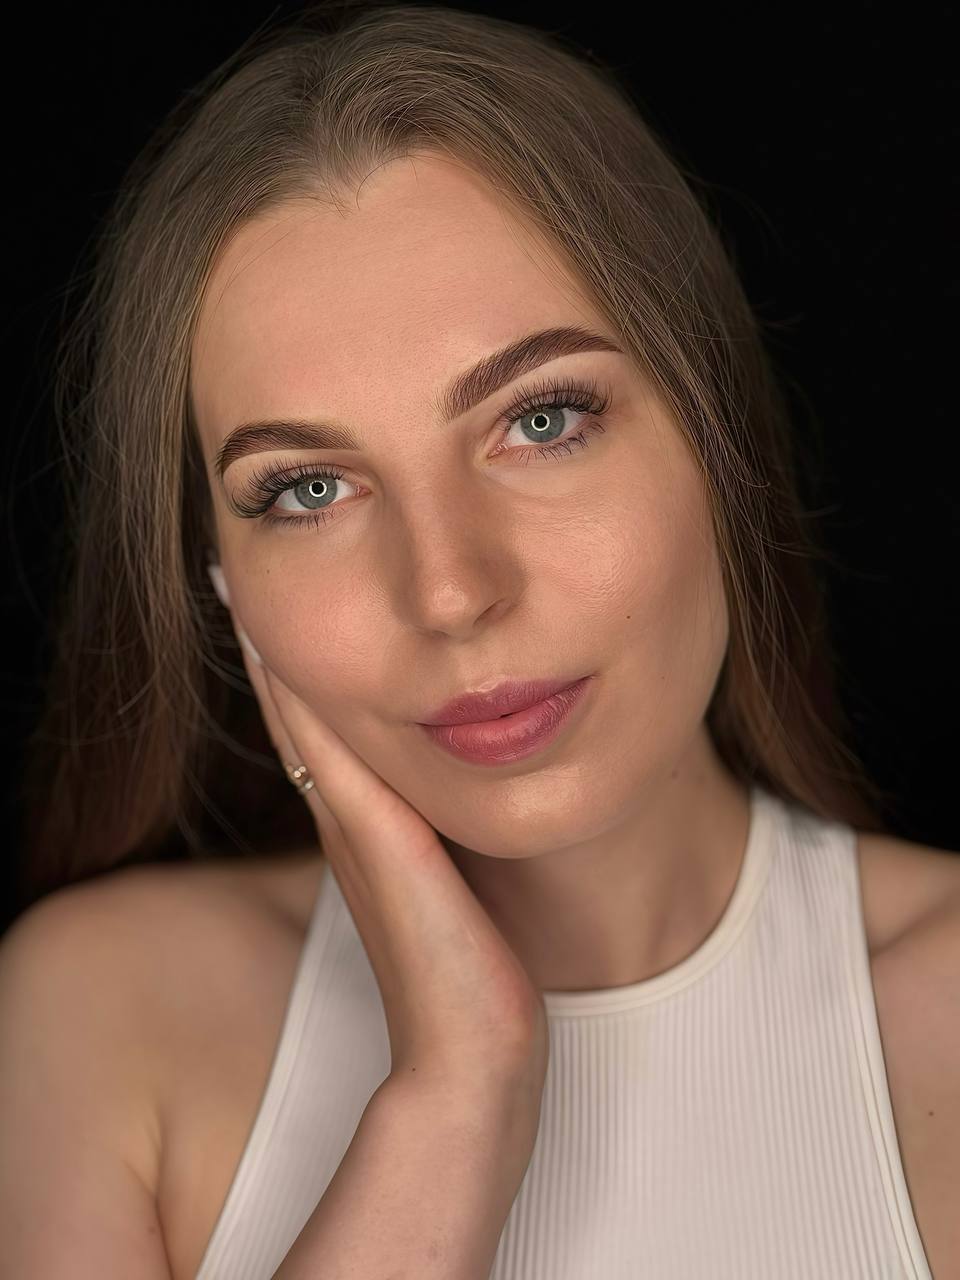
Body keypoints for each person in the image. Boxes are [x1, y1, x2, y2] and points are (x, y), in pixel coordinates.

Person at [2, 4, 957, 1278]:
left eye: (542, 420)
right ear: (223, 584)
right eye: (308, 489)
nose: (451, 590)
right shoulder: (102, 1011)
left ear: (718, 437)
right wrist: (456, 1095)